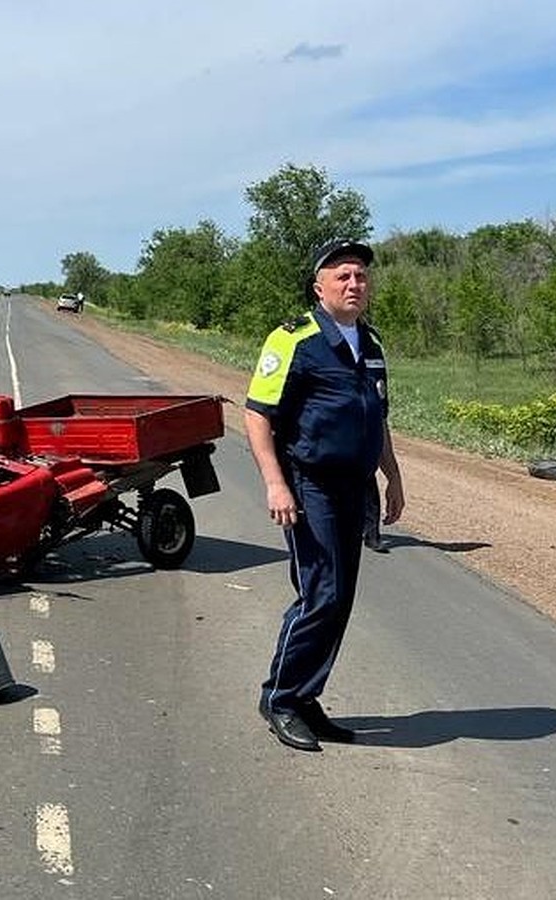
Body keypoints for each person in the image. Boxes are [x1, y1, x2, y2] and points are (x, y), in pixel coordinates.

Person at [244, 238, 405, 751]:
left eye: (360, 276)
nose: (355, 284)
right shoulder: (293, 340)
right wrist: (275, 482)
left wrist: (392, 477)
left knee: (340, 601)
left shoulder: (371, 345)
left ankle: (307, 697)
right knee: (322, 594)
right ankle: (282, 699)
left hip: (353, 486)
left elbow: (376, 419)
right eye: (343, 276)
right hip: (307, 484)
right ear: (320, 287)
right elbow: (256, 415)